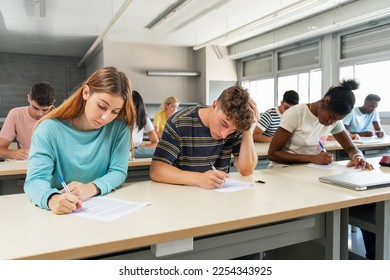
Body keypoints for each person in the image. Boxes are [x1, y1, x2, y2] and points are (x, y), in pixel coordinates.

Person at [267, 79, 375, 259]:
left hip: (311, 175)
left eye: (336, 120)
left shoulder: (333, 120)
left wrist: (358, 156)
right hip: (283, 173)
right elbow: (273, 153)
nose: (330, 123)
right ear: (325, 101)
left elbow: (350, 148)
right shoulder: (297, 113)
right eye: (331, 117)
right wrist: (313, 158)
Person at [24, 66, 135, 215]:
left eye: (115, 112)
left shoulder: (119, 128)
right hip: (63, 213)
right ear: (86, 92)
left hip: (102, 208)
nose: (105, 118)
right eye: (101, 106)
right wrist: (52, 199)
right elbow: (35, 180)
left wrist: (91, 188)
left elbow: (118, 171)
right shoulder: (48, 129)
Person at [150, 85, 259, 190]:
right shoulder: (179, 122)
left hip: (219, 195)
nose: (224, 134)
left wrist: (248, 130)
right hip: (184, 195)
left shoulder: (236, 124)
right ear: (215, 106)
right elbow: (157, 170)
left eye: (233, 130)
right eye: (223, 124)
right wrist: (199, 178)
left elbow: (246, 170)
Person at [0, 82, 55, 160]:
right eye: (35, 108)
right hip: (27, 166)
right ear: (29, 98)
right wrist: (14, 154)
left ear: (53, 103)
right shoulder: (15, 114)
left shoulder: (58, 117)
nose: (39, 114)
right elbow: (0, 149)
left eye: (45, 110)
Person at [131, 90, 158, 158]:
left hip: (135, 152)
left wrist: (139, 148)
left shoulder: (144, 118)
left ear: (136, 105)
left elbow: (155, 142)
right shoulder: (119, 118)